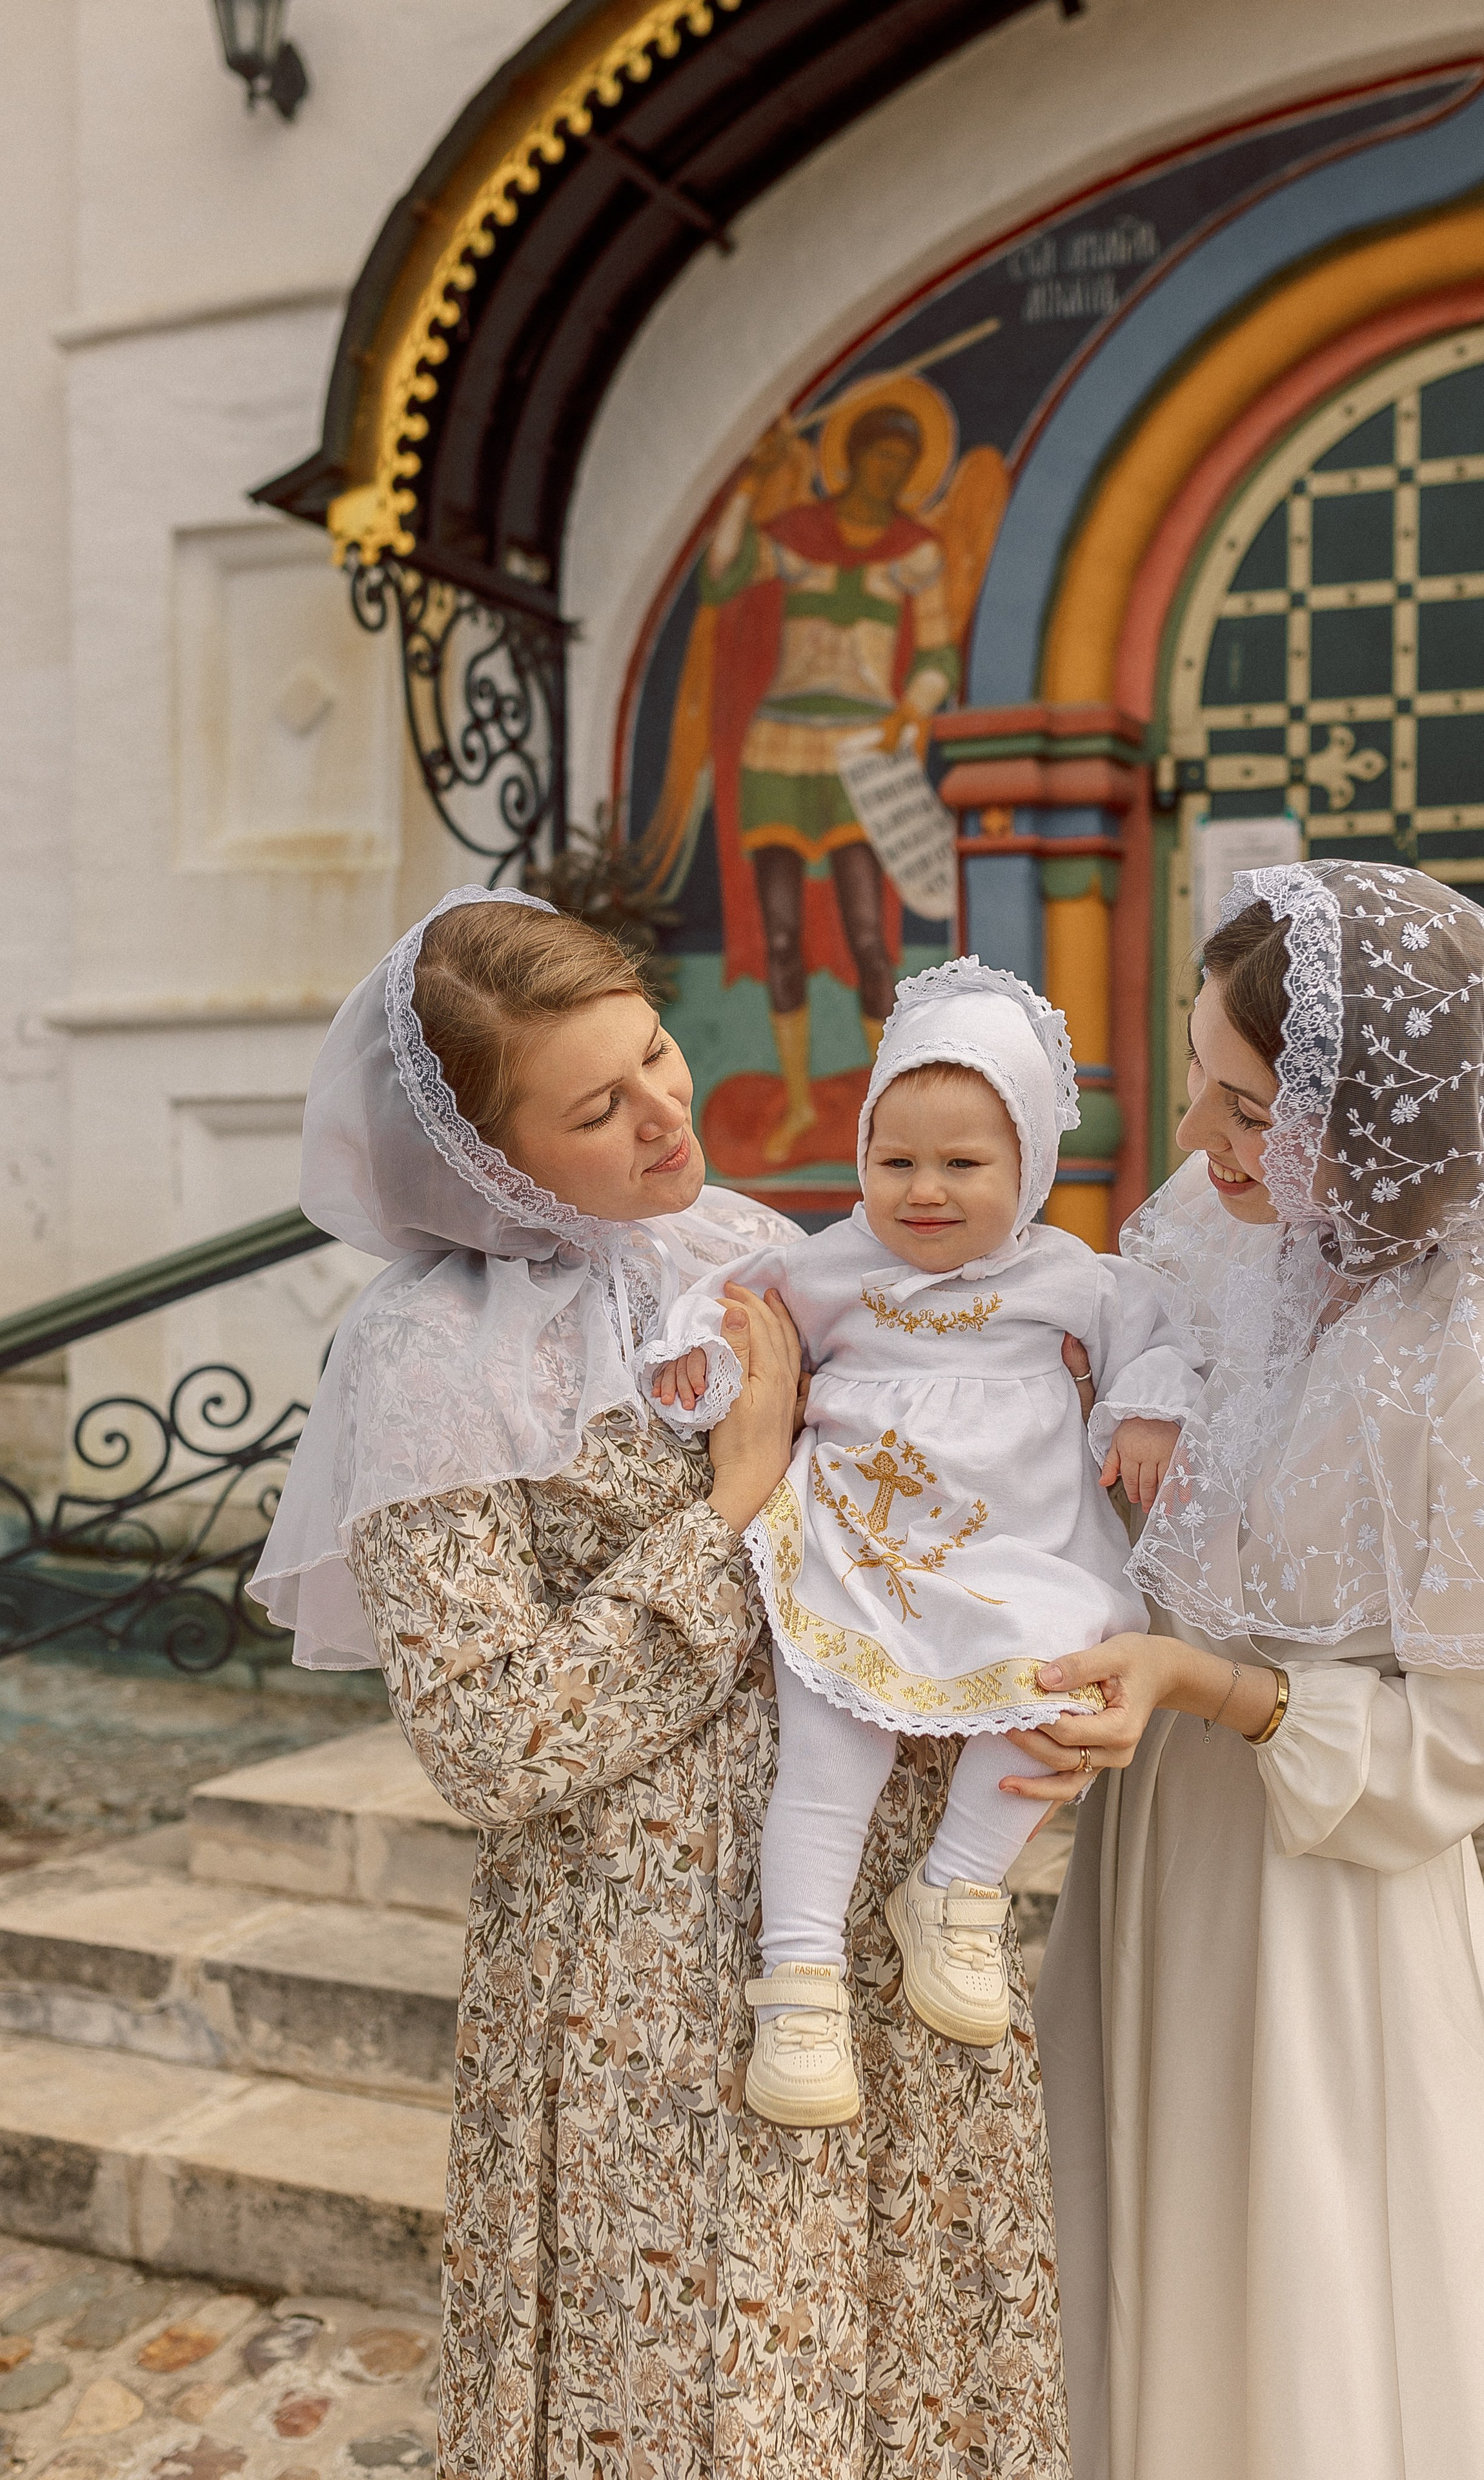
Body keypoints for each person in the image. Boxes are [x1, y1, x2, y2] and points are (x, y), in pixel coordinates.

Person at [249, 886, 1069, 2480]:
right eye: (596, 1106)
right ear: (485, 1154)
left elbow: (947, 1505)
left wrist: (1040, 1654)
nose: (659, 1115)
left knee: (903, 2351)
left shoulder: (763, 1249)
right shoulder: (428, 1358)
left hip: (860, 1920)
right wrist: (729, 1501)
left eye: (653, 1057)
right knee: (696, 2391)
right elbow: (489, 1739)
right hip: (638, 1976)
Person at [1002, 861, 1484, 2480]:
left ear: (1370, 1124)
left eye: (1243, 1109)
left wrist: (1207, 1684)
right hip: (1152, 1839)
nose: (1202, 1142)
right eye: (1200, 1088)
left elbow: (1475, 1735)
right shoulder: (1230, 1237)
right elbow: (1108, 1381)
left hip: (1316, 1901)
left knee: (1300, 2303)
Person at [642, 959, 1199, 2124]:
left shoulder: (1069, 1275)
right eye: (896, 1161)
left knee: (1055, 1682)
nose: (924, 1191)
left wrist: (1145, 1407)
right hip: (864, 1542)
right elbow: (729, 1300)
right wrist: (700, 1353)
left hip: (1021, 1546)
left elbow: (1159, 1331)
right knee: (832, 1756)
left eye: (964, 1165)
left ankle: (957, 1893)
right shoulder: (834, 1262)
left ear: (1030, 1168)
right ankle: (798, 1989)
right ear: (862, 1158)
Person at [700, 404, 957, 1162]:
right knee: (781, 935)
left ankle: (888, 1113)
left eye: (902, 465)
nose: (889, 475)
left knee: (868, 937)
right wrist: (751, 483)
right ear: (851, 460)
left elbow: (940, 654)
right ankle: (800, 1103)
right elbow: (720, 577)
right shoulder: (796, 540)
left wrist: (912, 709)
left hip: (860, 754)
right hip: (779, 747)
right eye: (878, 458)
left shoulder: (915, 553)